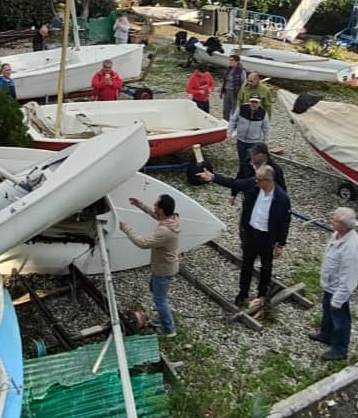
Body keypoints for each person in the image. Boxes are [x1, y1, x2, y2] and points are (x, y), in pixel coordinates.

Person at [196, 165, 291, 307]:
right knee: (247, 264)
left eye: (258, 179)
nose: (255, 181)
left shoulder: (282, 199)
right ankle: (242, 294)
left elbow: (285, 222)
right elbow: (234, 183)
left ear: (268, 181)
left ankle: (262, 295)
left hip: (267, 237)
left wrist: (281, 244)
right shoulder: (253, 185)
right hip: (251, 233)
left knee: (266, 267)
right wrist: (213, 177)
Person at [120, 194, 180, 337]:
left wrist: (127, 229)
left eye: (156, 206)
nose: (154, 207)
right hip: (163, 266)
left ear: (162, 210)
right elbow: (155, 215)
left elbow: (143, 243)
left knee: (160, 300)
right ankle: (162, 318)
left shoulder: (165, 231)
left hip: (163, 270)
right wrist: (140, 204)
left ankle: (169, 329)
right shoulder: (172, 218)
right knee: (154, 291)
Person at [309, 207, 358, 361]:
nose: (332, 222)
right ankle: (326, 334)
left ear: (344, 225)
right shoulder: (338, 234)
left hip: (338, 289)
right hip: (329, 284)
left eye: (335, 220)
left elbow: (348, 277)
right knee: (327, 310)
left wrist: (339, 298)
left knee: (340, 318)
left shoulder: (351, 247)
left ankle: (340, 348)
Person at [228, 94, 270, 173]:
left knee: (249, 160)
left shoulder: (263, 113)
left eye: (256, 102)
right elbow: (233, 121)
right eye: (252, 102)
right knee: (241, 159)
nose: (254, 104)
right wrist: (229, 133)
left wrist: (265, 143)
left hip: (254, 142)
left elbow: (266, 129)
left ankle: (249, 175)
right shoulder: (241, 108)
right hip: (240, 140)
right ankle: (242, 175)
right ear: (249, 101)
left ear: (259, 103)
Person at [220, 54, 246, 121]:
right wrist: (222, 91)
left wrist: (240, 94)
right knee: (226, 109)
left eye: (232, 60)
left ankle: (233, 124)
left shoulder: (241, 71)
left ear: (237, 61)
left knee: (234, 110)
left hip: (235, 93)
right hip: (227, 91)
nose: (230, 62)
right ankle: (225, 122)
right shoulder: (229, 69)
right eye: (230, 60)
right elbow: (225, 80)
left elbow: (243, 83)